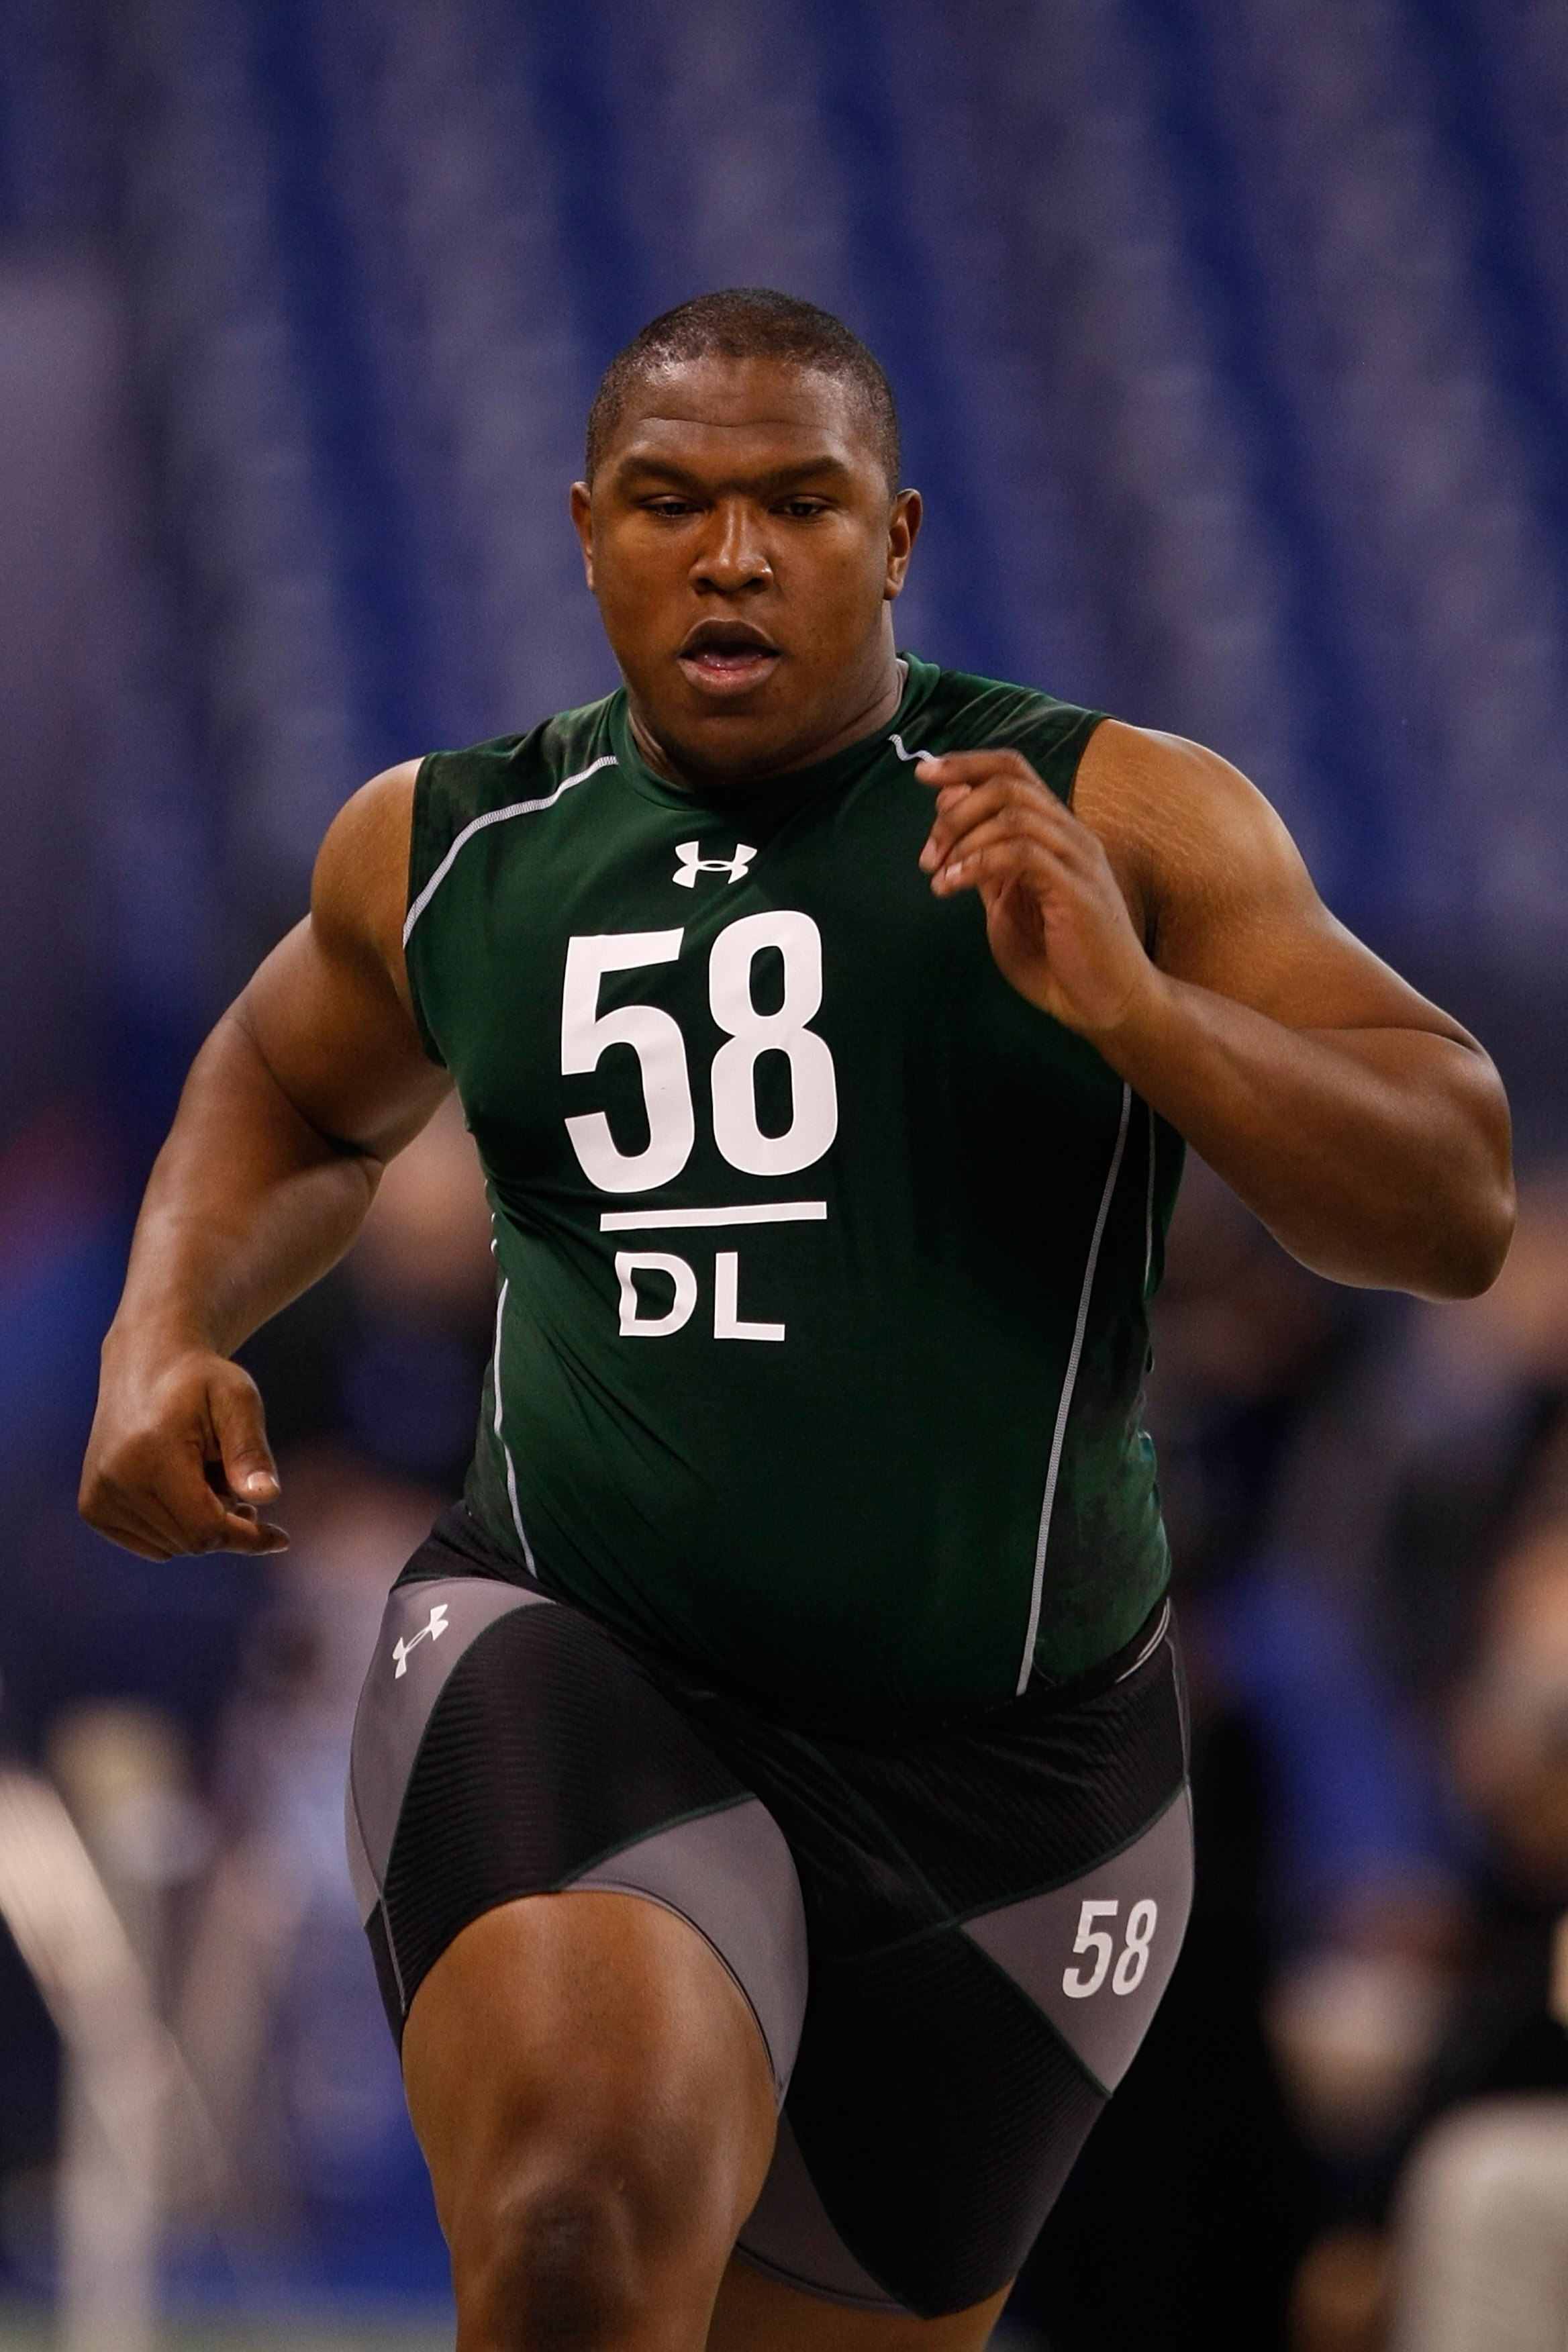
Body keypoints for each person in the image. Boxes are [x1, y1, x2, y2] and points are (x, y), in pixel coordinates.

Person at [80, 290, 1514, 2351]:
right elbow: (292, 1085)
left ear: (897, 534)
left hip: (1023, 1771)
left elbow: (1454, 1203)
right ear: (587, 529)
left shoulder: (1118, 812)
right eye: (670, 502)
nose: (732, 557)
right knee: (574, 2235)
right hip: (588, 1658)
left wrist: (1139, 1014)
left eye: (799, 504)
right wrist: (165, 1323)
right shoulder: (455, 844)